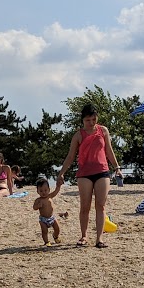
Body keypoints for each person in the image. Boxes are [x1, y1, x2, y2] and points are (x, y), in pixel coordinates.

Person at [57, 102, 121, 247]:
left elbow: (109, 151)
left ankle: (99, 238)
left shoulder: (103, 131)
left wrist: (117, 167)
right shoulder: (78, 135)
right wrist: (61, 173)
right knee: (85, 206)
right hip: (84, 173)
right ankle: (84, 236)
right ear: (82, 120)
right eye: (87, 120)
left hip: (103, 171)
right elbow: (70, 156)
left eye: (93, 119)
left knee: (101, 205)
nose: (91, 123)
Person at [32, 175, 64, 245]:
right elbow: (34, 207)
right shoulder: (38, 200)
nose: (43, 192)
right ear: (37, 191)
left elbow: (56, 192)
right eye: (41, 191)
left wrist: (58, 186)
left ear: (49, 190)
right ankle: (46, 242)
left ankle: (55, 236)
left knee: (57, 228)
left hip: (51, 218)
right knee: (44, 231)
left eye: (45, 190)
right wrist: (37, 206)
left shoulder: (49, 196)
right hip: (43, 219)